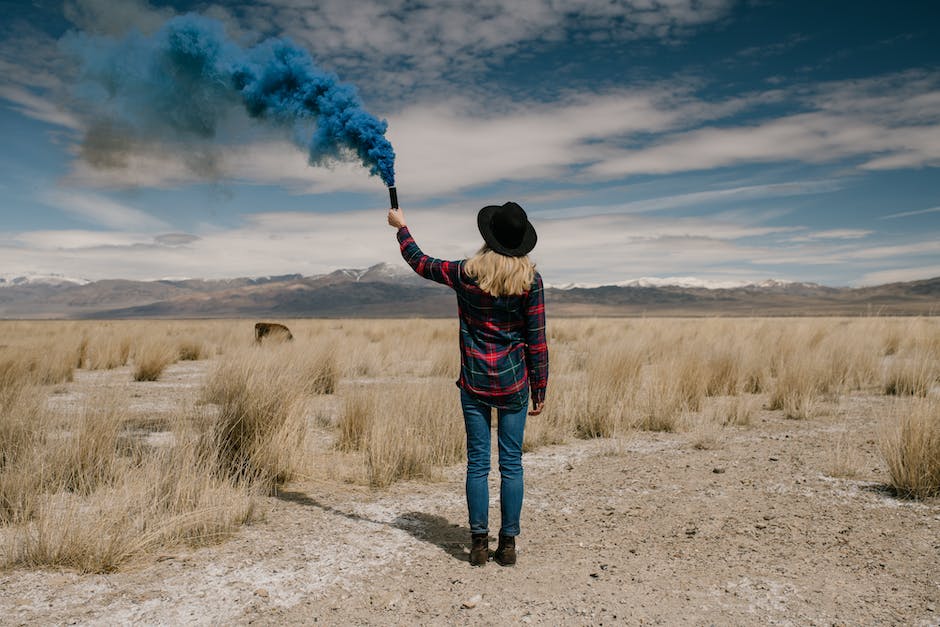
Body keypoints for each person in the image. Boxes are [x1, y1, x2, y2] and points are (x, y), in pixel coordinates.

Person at [387, 201, 548, 567]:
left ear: (488, 238)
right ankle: (507, 545)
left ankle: (478, 544)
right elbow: (537, 340)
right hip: (514, 385)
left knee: (477, 464)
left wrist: (401, 228)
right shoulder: (530, 282)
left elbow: (420, 262)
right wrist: (539, 388)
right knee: (512, 464)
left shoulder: (465, 273)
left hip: (474, 382)